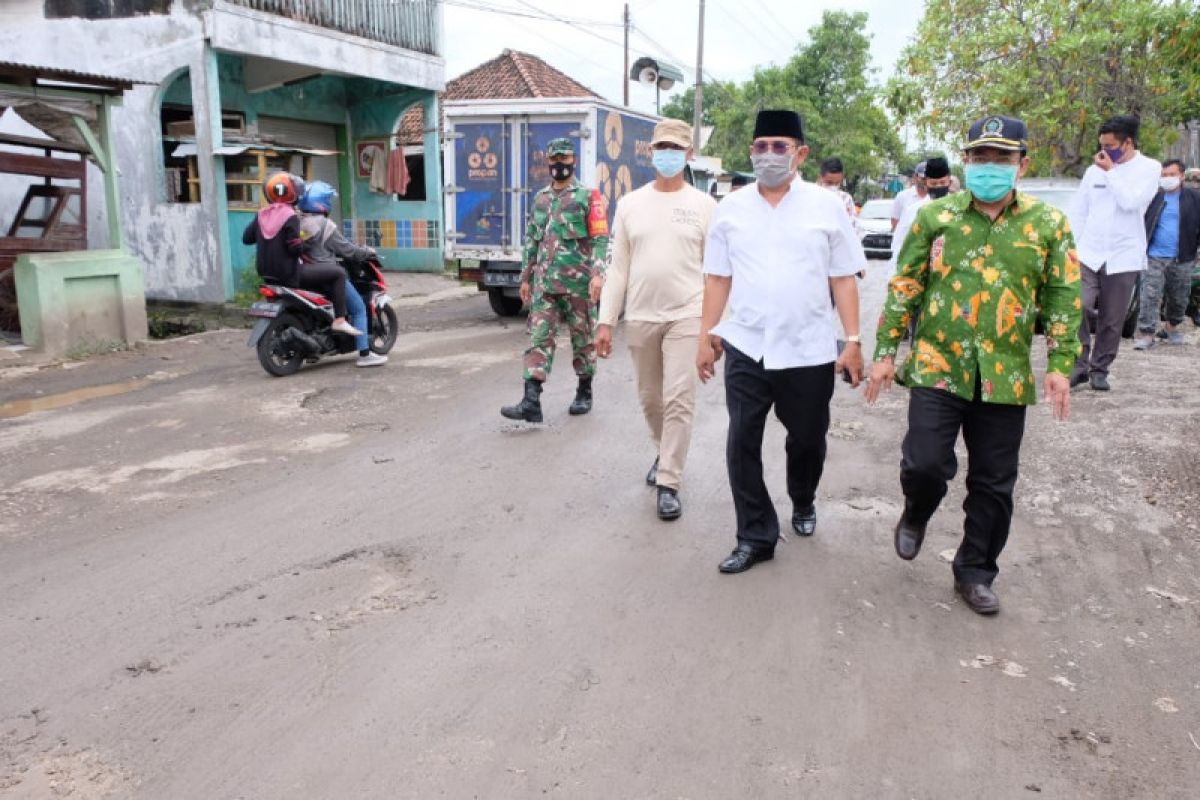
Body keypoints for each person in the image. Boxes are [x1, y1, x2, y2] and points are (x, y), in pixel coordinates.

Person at [866, 115, 1081, 616]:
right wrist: (885, 353)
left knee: (993, 483)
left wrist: (1059, 363)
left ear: (1021, 165)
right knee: (923, 462)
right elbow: (905, 286)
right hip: (938, 364)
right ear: (966, 162)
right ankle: (917, 510)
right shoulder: (936, 218)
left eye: (1001, 159)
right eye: (980, 158)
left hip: (1004, 375)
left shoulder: (1048, 225)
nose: (990, 167)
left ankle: (975, 571)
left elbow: (1063, 295)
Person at [697, 109, 866, 575]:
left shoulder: (827, 206)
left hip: (808, 349)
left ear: (801, 154)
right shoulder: (730, 209)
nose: (768, 155)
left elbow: (845, 279)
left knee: (807, 439)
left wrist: (852, 340)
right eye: (761, 147)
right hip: (748, 346)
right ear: (750, 152)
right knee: (741, 442)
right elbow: (717, 278)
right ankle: (756, 535)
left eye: (779, 146)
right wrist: (707, 334)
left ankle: (803, 497)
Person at [596, 119, 716, 521]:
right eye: (661, 146)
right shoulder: (630, 204)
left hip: (688, 314)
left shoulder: (704, 206)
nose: (668, 153)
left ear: (689, 154)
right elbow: (617, 268)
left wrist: (713, 331)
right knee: (651, 399)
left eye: (676, 147)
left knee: (679, 398)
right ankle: (663, 450)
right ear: (650, 152)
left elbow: (716, 273)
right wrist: (606, 320)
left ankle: (669, 481)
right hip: (642, 315)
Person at [500, 138, 609, 423]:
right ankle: (531, 400)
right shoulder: (541, 198)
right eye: (555, 160)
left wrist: (598, 274)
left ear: (573, 160)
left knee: (583, 340)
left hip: (579, 286)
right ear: (548, 162)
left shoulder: (589, 196)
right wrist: (525, 276)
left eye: (565, 159)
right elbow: (532, 240)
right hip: (545, 285)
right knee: (538, 339)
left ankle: (584, 391)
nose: (560, 165)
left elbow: (599, 238)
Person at [1068, 115, 1161, 391]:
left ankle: (1100, 369)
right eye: (1102, 145)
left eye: (1110, 145)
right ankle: (1079, 363)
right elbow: (1080, 210)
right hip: (1089, 250)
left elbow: (1131, 201)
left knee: (1112, 317)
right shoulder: (1092, 170)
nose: (1104, 151)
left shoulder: (1150, 168)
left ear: (1128, 142)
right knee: (1078, 305)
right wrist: (1070, 246)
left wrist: (1111, 172)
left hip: (1124, 254)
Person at [243, 172, 360, 337]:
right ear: (291, 194)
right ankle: (339, 320)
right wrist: (301, 244)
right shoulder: (290, 216)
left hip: (267, 275)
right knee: (339, 273)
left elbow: (246, 239)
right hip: (290, 274)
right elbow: (294, 249)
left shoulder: (261, 215)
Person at [297, 181, 387, 367]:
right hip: (327, 276)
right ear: (322, 202)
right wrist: (367, 252)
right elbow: (348, 250)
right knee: (359, 308)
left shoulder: (299, 221)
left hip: (305, 275)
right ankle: (365, 354)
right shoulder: (325, 225)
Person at [1134, 159, 1199, 349]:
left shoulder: (1194, 199)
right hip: (1153, 255)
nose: (1167, 178)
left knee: (1179, 296)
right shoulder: (1153, 198)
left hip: (1183, 256)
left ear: (1181, 176)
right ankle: (1147, 334)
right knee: (1150, 295)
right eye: (1164, 175)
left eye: (1172, 175)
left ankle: (1171, 327)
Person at [889, 156, 953, 271]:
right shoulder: (914, 211)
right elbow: (899, 246)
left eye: (942, 182)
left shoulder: (960, 209)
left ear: (949, 181)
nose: (938, 187)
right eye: (933, 184)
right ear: (926, 183)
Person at [817, 157, 861, 235]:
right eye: (829, 183)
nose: (833, 187)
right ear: (820, 177)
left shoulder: (846, 199)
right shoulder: (810, 197)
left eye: (837, 183)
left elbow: (854, 230)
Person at [891, 161, 928, 231]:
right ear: (915, 177)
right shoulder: (902, 197)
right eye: (923, 178)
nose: (926, 181)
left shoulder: (936, 197)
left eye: (929, 178)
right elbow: (895, 221)